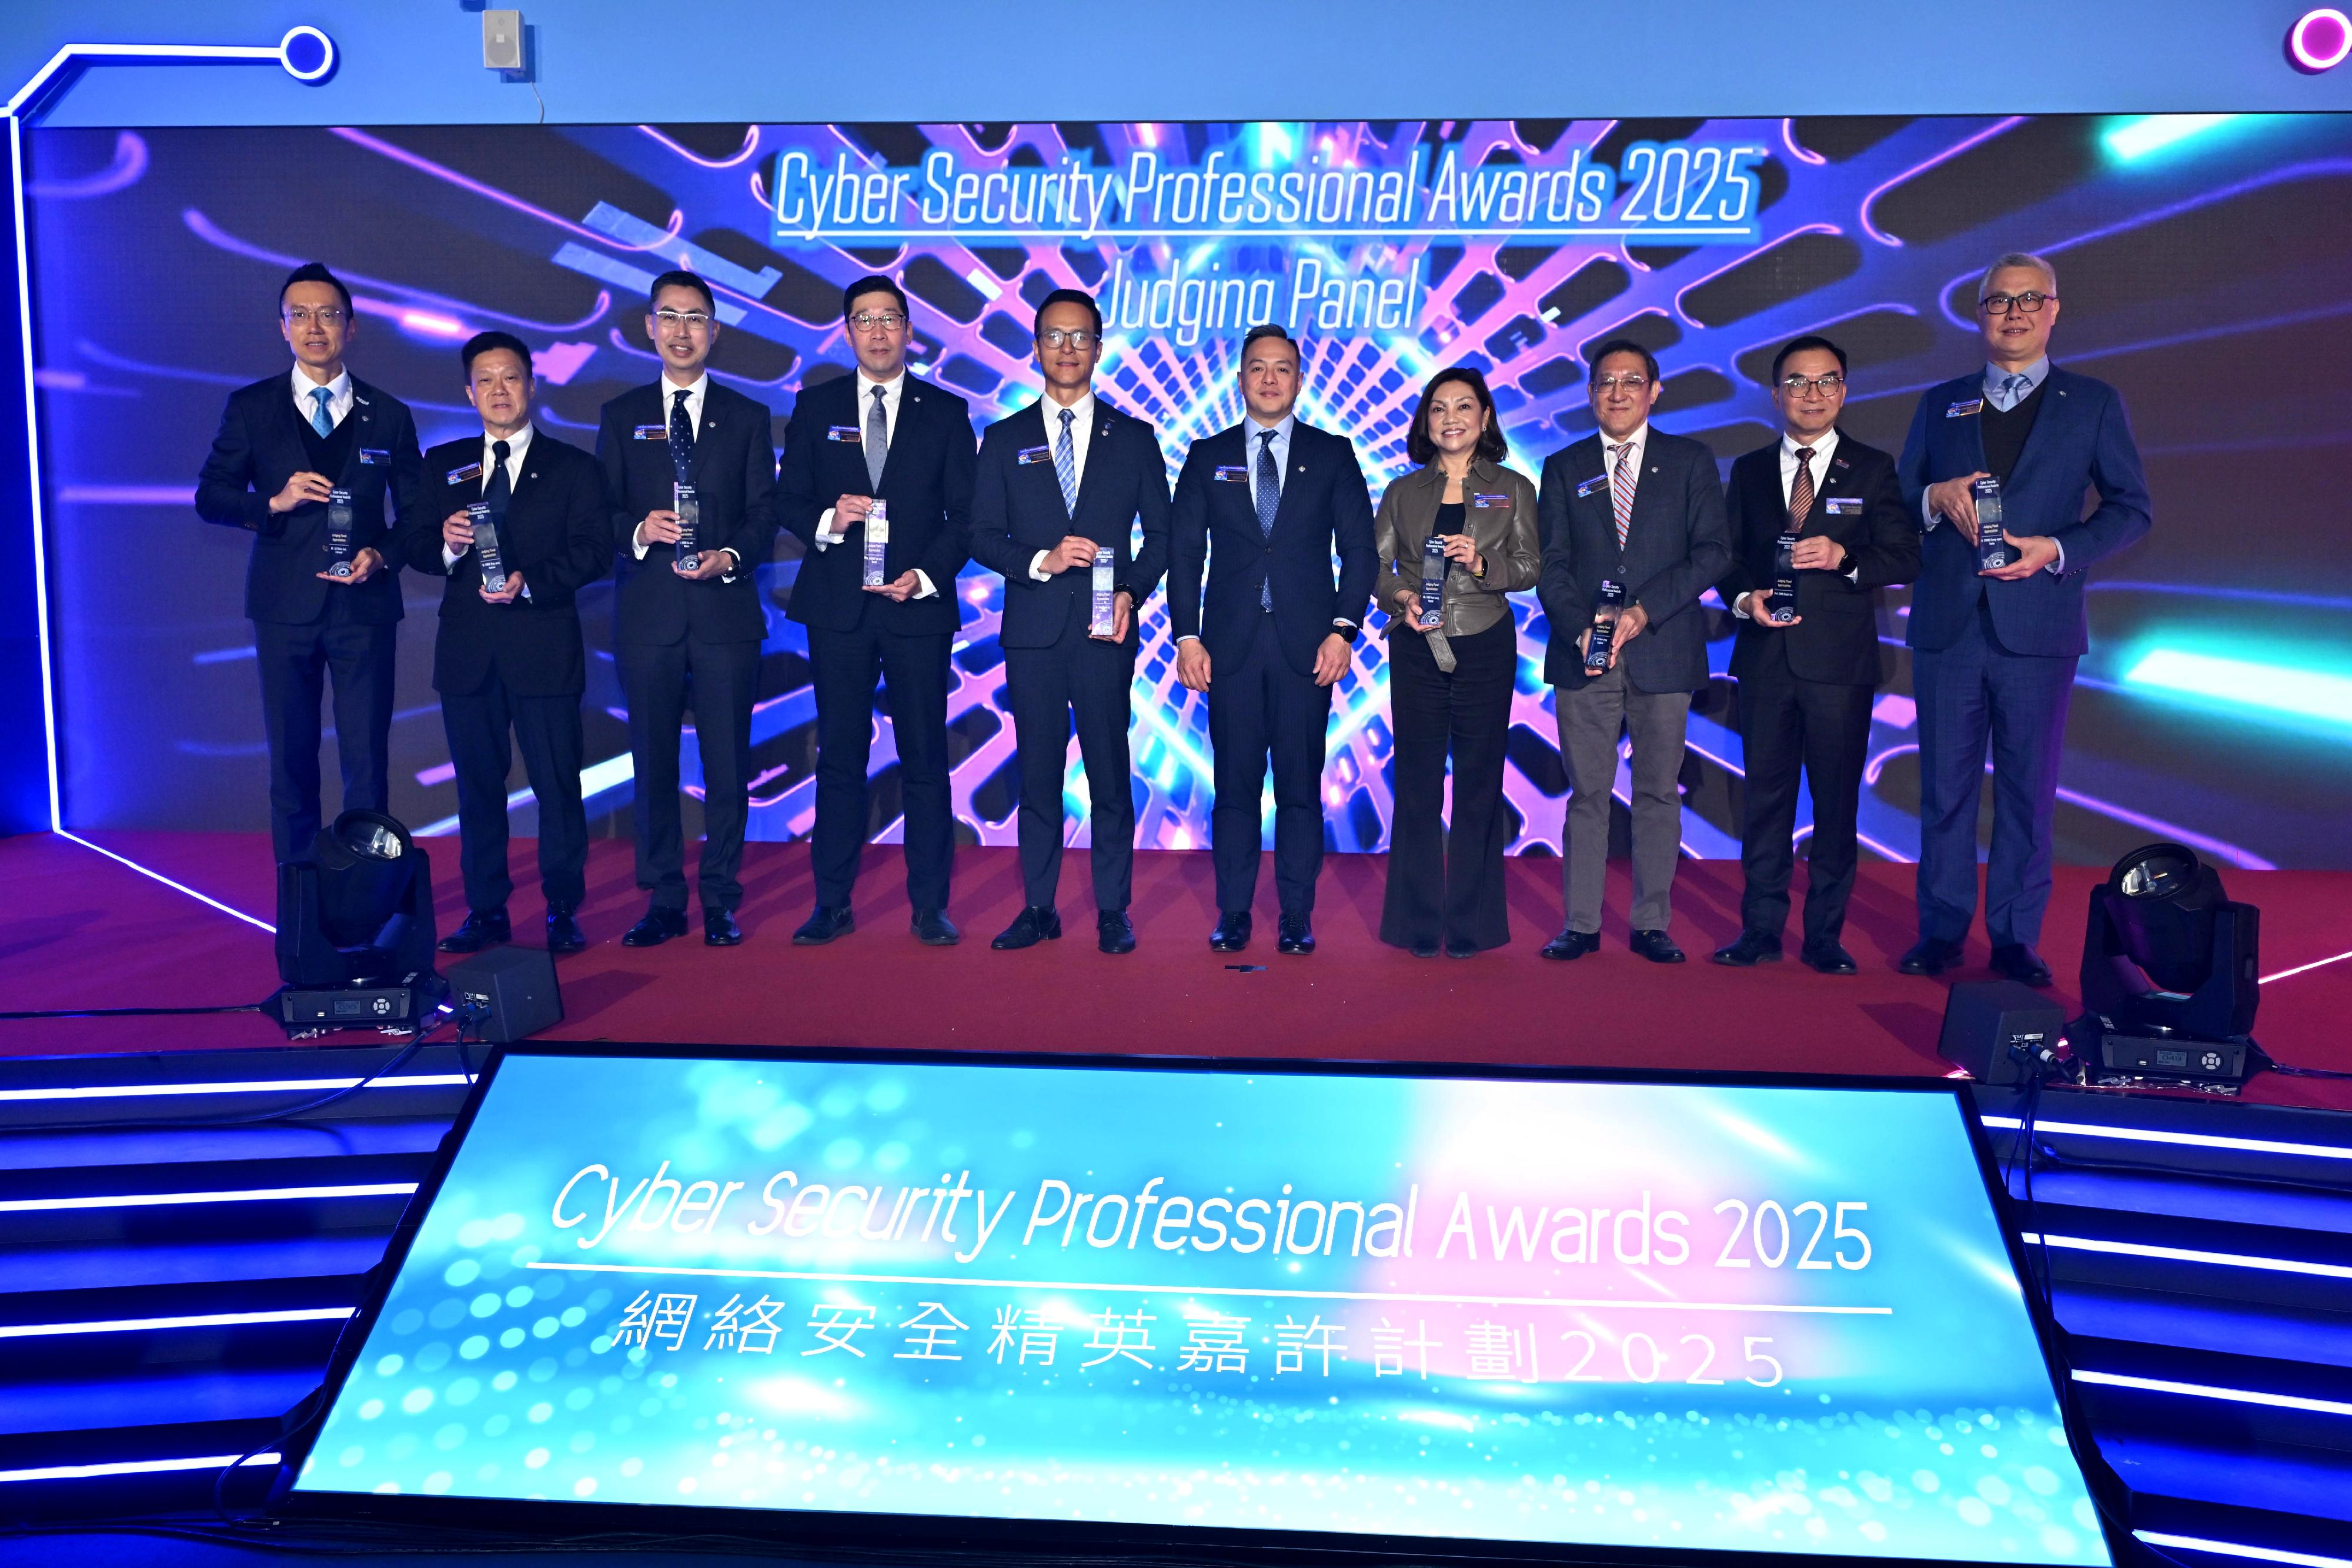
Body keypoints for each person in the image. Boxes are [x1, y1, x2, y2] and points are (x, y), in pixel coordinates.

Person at [1897, 251, 2151, 987]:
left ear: (2052, 310)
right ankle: (1941, 930)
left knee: (2024, 790)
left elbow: (2131, 509)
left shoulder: (2093, 403)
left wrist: (2057, 549)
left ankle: (2012, 937)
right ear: (1979, 314)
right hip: (1949, 625)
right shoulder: (1940, 401)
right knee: (1942, 789)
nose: (2011, 312)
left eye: (2026, 300)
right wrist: (1932, 496)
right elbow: (1901, 494)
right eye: (1997, 301)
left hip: (2037, 629)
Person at [195, 262, 425, 865]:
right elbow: (211, 496)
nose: (313, 326)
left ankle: (368, 891)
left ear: (352, 328)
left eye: (327, 314)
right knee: (292, 762)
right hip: (283, 609)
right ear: (283, 328)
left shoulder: (390, 414)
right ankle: (301, 900)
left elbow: (419, 515)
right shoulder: (251, 408)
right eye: (299, 314)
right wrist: (273, 501)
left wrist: (384, 555)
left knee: (367, 763)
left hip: (364, 608)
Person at [776, 275, 977, 947]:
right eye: (864, 320)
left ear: (909, 331)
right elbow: (790, 501)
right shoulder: (816, 406)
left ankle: (930, 906)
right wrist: (831, 520)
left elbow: (965, 517)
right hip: (838, 609)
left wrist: (924, 576)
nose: (879, 332)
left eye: (890, 319)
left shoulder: (945, 412)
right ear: (847, 332)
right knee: (840, 756)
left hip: (916, 609)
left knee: (924, 757)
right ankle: (831, 902)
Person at [968, 289, 1170, 955]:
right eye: (1054, 337)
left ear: (1099, 349)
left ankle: (1113, 908)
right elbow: (980, 535)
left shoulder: (1134, 439)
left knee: (1110, 772)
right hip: (1032, 633)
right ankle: (1039, 906)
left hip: (1105, 631)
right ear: (1035, 348)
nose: (1067, 349)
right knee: (1038, 775)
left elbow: (1163, 539)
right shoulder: (1003, 439)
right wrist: (1042, 560)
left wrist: (1131, 595)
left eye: (1080, 337)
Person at [1711, 336, 1920, 975]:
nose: (1812, 393)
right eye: (1798, 383)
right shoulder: (1747, 470)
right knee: (1765, 801)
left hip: (1839, 667)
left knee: (1835, 805)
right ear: (1777, 395)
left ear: (1844, 390)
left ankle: (1825, 936)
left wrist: (1845, 557)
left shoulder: (1873, 467)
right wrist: (1744, 599)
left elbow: (1905, 556)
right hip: (1766, 660)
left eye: (1826, 381)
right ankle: (1760, 931)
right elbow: (1727, 557)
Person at [1168, 324, 1377, 956]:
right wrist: (1186, 636)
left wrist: (1343, 631)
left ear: (1298, 379)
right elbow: (1184, 554)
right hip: (1226, 649)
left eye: (1281, 368)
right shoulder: (1207, 455)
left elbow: (1360, 553)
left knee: (1298, 786)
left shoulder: (1333, 453)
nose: (1268, 379)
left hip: (1306, 651)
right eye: (1257, 368)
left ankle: (1294, 913)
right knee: (1232, 789)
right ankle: (1233, 912)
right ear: (1239, 380)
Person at [404, 332, 612, 956]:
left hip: (544, 649)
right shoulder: (443, 464)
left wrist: (530, 584)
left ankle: (561, 910)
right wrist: (445, 541)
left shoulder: (575, 468)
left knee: (556, 787)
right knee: (477, 791)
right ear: (470, 393)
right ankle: (486, 910)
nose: (500, 390)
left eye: (511, 377)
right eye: (486, 380)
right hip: (468, 656)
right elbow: (415, 547)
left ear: (531, 384)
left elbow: (594, 553)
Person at [593, 270, 779, 948]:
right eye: (669, 317)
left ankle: (721, 898)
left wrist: (729, 555)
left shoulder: (748, 417)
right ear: (649, 327)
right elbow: (599, 514)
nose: (681, 331)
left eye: (695, 318)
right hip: (648, 619)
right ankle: (664, 897)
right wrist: (639, 530)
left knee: (728, 765)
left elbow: (766, 514)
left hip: (725, 617)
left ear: (714, 332)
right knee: (655, 764)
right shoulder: (620, 415)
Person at [1535, 339, 1730, 964]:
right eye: (1604, 383)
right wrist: (1581, 626)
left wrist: (1642, 612)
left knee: (1657, 792)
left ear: (1654, 391)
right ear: (1591, 392)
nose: (1616, 393)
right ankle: (1581, 923)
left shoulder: (1689, 460)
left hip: (1662, 648)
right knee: (1586, 793)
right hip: (1583, 655)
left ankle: (1651, 923)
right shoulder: (1564, 467)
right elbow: (1552, 564)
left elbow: (1712, 552)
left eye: (1630, 382)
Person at [1374, 367, 1541, 957]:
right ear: (1425, 421)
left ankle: (1473, 924)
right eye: (1438, 408)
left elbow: (1529, 567)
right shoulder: (1401, 492)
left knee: (1477, 782)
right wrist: (1402, 597)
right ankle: (1414, 923)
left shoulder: (1514, 487)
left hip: (1485, 640)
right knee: (1417, 784)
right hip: (1416, 643)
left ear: (1485, 418)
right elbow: (1378, 567)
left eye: (1463, 407)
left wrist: (1483, 564)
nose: (1451, 418)